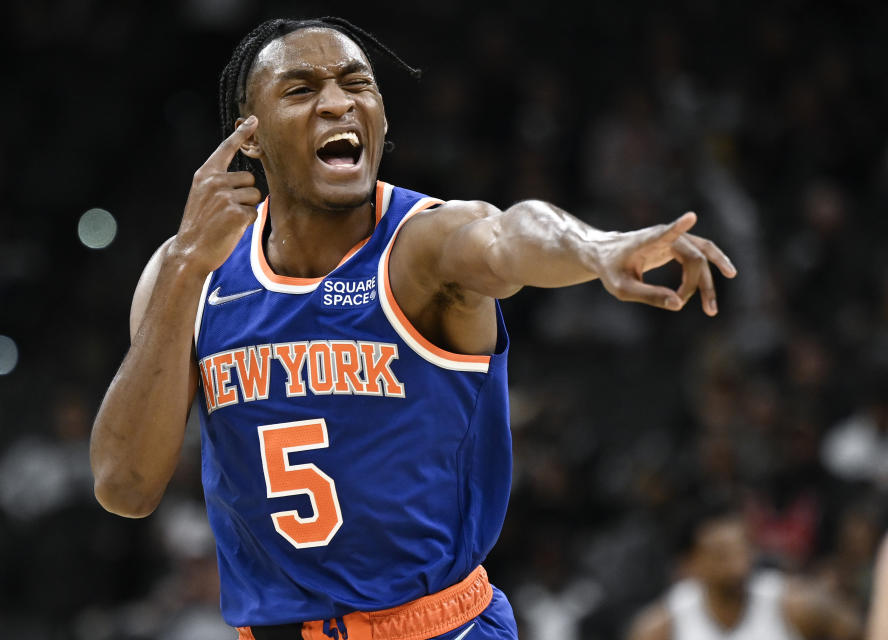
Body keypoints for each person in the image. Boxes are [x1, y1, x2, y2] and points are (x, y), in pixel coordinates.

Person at [89, 16, 736, 640]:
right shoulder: (192, 276)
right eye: (302, 89)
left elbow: (511, 235)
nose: (338, 102)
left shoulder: (421, 246)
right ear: (249, 138)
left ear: (382, 114)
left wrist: (597, 248)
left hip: (436, 630)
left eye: (357, 83)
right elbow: (123, 488)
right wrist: (181, 267)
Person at [627, 501, 862, 640]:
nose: (738, 563)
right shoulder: (661, 628)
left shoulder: (796, 606)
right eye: (721, 553)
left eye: (742, 549)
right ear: (690, 564)